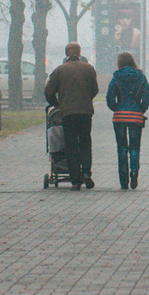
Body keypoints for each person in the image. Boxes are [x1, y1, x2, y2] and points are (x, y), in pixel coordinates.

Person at [45, 42, 100, 191]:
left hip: (68, 112)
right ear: (79, 53)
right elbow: (95, 89)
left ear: (66, 54)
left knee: (71, 145)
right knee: (85, 142)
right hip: (85, 111)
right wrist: (87, 98)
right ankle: (87, 173)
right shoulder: (89, 69)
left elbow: (48, 91)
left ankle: (76, 179)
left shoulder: (60, 70)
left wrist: (57, 104)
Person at [106, 52, 149, 190]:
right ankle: (134, 171)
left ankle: (123, 180)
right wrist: (140, 110)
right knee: (134, 147)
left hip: (119, 117)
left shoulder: (116, 77)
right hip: (136, 116)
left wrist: (117, 108)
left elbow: (109, 98)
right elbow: (147, 97)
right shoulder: (141, 77)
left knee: (122, 148)